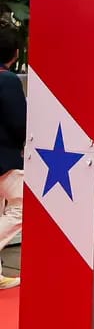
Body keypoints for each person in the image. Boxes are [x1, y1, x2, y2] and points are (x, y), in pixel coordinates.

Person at [0, 26, 25, 290]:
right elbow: (20, 122)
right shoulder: (7, 81)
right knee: (22, 207)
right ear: (15, 54)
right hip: (5, 158)